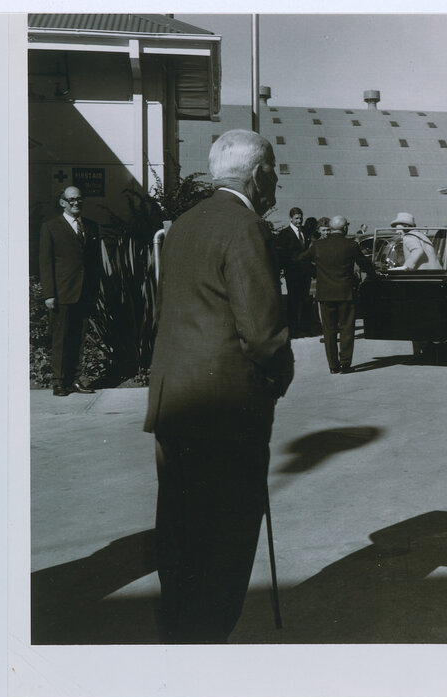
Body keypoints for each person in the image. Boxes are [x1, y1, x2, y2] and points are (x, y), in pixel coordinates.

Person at [143, 129, 294, 643]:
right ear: (259, 174)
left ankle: (180, 641)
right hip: (226, 410)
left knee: (181, 536)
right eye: (273, 170)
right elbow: (264, 333)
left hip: (175, 402)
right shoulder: (246, 226)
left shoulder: (184, 223)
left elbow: (168, 310)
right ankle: (204, 651)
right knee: (224, 546)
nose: (274, 181)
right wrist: (277, 380)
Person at [39, 185, 101, 396]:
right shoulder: (51, 227)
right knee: (61, 338)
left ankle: (75, 379)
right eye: (71, 199)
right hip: (62, 292)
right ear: (62, 202)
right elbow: (46, 263)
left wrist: (95, 290)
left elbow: (95, 262)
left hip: (84, 291)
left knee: (78, 338)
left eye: (79, 199)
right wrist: (49, 294)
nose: (76, 203)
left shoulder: (91, 226)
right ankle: (58, 382)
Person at [306, 214, 378, 373]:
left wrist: (317, 273)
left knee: (329, 330)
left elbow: (301, 260)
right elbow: (365, 265)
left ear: (331, 228)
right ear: (345, 228)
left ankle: (333, 366)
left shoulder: (318, 245)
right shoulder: (351, 245)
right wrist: (374, 274)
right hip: (346, 293)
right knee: (346, 329)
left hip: (325, 293)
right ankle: (345, 364)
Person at [273, 207, 315, 337]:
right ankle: (293, 329)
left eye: (301, 218)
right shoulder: (285, 234)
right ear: (290, 218)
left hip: (305, 272)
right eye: (296, 218)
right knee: (293, 300)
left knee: (305, 299)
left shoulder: (305, 232)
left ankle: (305, 327)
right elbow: (282, 254)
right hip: (293, 272)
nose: (299, 221)